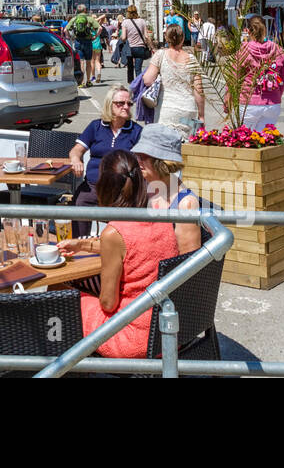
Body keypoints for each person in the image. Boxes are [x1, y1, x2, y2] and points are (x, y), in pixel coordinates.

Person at [57, 149, 178, 358]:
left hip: (131, 337)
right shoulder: (161, 216)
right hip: (165, 331)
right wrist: (82, 245)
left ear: (104, 186)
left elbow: (108, 303)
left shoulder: (115, 232)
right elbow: (132, 247)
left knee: (57, 293)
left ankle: (57, 367)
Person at [69, 84, 142, 233]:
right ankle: (78, 246)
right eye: (120, 103)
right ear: (110, 104)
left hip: (121, 190)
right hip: (93, 186)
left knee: (124, 221)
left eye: (129, 103)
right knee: (79, 203)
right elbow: (76, 150)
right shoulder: (96, 126)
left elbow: (143, 161)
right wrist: (76, 160)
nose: (126, 107)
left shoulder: (136, 131)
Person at [132, 122, 201, 255]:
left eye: (143, 156)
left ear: (161, 161)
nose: (138, 161)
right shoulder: (151, 186)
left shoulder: (185, 204)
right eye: (137, 155)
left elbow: (189, 262)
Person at [142, 23, 205, 135]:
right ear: (183, 38)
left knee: (165, 145)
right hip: (187, 110)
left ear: (167, 38)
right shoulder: (191, 59)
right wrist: (201, 115)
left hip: (166, 109)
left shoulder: (160, 55)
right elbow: (199, 89)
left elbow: (147, 80)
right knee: (184, 145)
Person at [239, 15, 284, 130]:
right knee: (265, 141)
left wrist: (228, 99)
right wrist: (277, 95)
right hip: (272, 102)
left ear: (248, 31)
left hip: (249, 102)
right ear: (264, 29)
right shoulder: (277, 49)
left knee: (246, 139)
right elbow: (283, 78)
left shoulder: (244, 50)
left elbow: (235, 77)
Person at [66, 5, 101, 82]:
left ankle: (81, 81)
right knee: (88, 62)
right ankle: (88, 81)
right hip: (88, 41)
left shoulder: (74, 19)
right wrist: (95, 36)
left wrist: (70, 38)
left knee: (81, 62)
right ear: (85, 10)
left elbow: (66, 30)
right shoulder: (89, 19)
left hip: (78, 41)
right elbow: (100, 28)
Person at [120, 6, 151, 85]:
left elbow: (123, 37)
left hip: (130, 48)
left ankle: (131, 84)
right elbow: (146, 36)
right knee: (138, 69)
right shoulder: (142, 21)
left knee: (130, 68)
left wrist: (124, 39)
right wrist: (151, 46)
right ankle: (138, 85)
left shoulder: (125, 22)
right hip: (140, 47)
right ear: (136, 11)